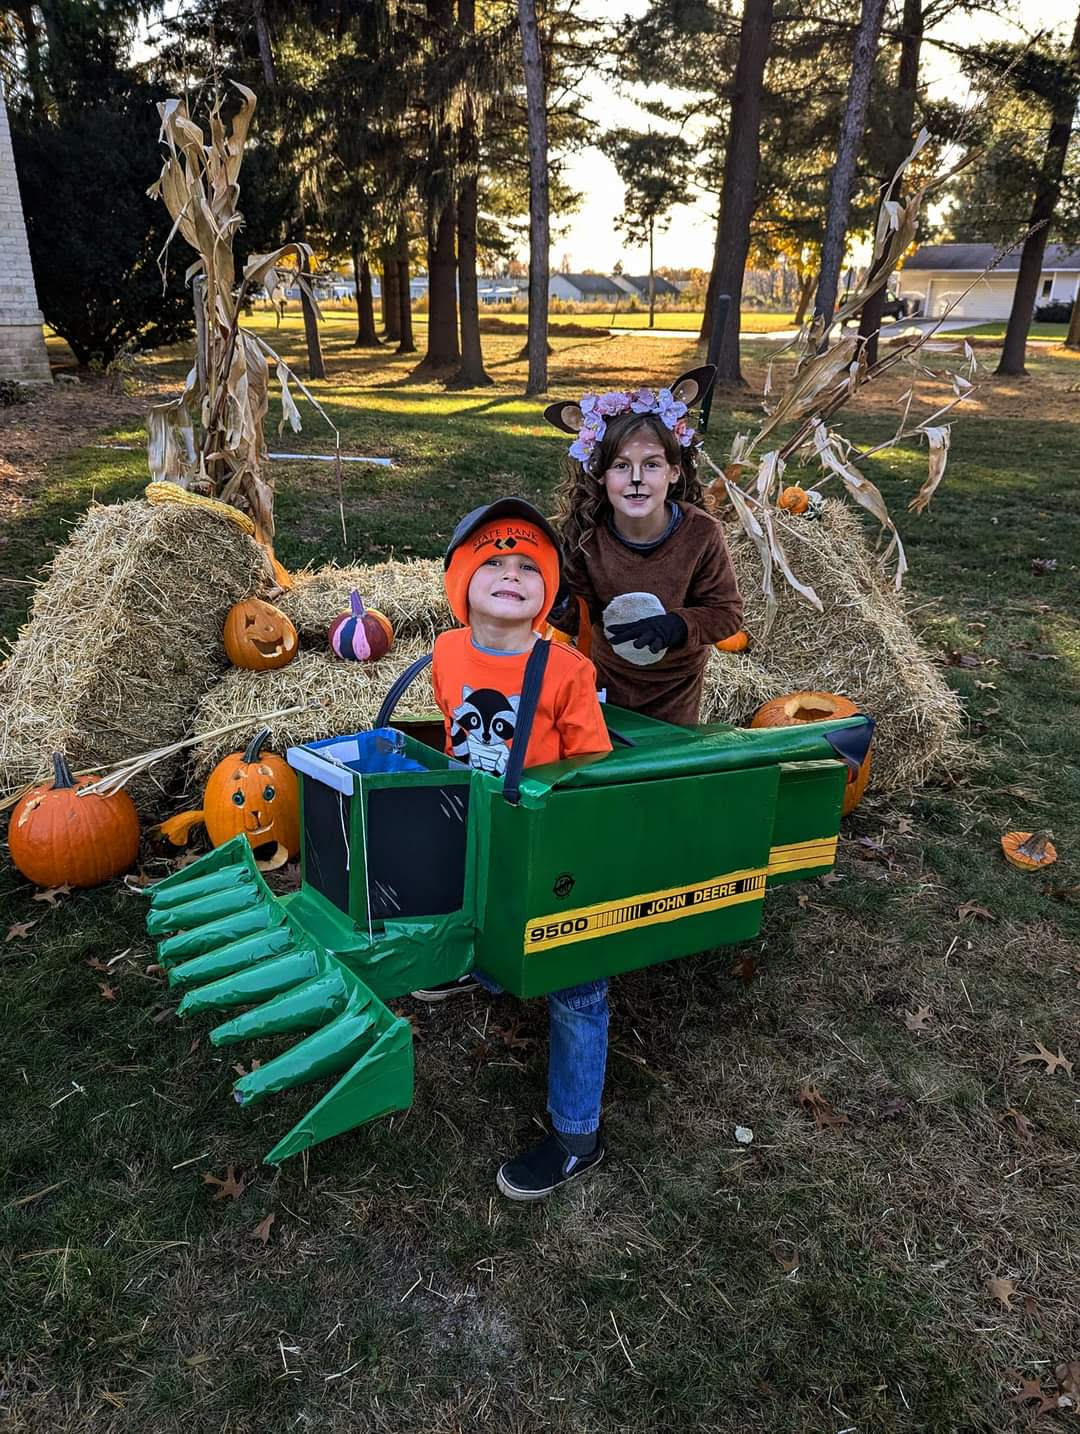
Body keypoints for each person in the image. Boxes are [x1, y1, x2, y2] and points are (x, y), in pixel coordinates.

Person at [412, 498, 614, 1202]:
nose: (510, 574)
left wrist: (575, 850)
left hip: (554, 835)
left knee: (577, 980)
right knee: (487, 904)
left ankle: (576, 1136)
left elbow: (591, 769)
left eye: (528, 566)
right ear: (461, 585)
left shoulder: (566, 672)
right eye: (492, 563)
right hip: (478, 823)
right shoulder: (445, 653)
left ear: (546, 592)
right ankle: (490, 970)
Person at [544, 365, 743, 726]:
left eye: (651, 464)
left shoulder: (700, 534)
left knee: (658, 771)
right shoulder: (588, 534)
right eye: (621, 466)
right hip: (604, 678)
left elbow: (726, 613)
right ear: (600, 475)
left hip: (673, 688)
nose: (636, 479)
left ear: (674, 471)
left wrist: (677, 626)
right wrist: (558, 600)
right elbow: (580, 617)